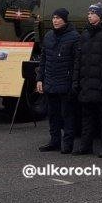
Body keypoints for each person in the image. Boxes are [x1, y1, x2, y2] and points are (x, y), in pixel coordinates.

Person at [73, 2, 102, 158]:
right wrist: (76, 81)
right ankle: (85, 146)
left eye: (93, 13)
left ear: (100, 16)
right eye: (88, 14)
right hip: (86, 83)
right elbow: (79, 60)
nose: (89, 16)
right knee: (86, 116)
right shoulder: (84, 34)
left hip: (101, 83)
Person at [36, 8, 79, 153]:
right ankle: (54, 141)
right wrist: (39, 79)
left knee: (67, 115)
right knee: (52, 114)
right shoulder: (48, 36)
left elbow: (76, 63)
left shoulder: (74, 37)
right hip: (50, 82)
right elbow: (43, 59)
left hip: (65, 83)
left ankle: (68, 144)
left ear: (65, 20)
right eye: (54, 17)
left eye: (58, 18)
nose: (55, 20)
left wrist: (74, 83)